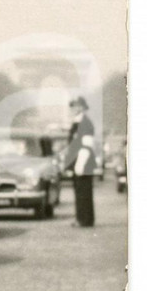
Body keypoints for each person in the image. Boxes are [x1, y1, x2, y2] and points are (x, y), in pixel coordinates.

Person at [62, 95, 97, 228]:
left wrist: (80, 164)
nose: (72, 109)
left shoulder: (85, 123)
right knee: (79, 191)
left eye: (75, 106)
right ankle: (81, 218)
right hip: (78, 161)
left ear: (81, 108)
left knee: (84, 192)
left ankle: (86, 220)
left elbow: (87, 145)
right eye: (72, 107)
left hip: (83, 162)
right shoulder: (77, 122)